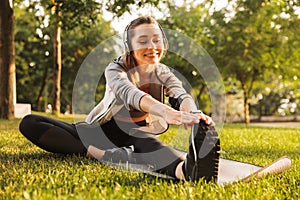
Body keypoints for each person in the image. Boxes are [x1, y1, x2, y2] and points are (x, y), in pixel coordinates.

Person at [19, 16, 220, 182]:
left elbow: (180, 94)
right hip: (98, 131)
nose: (152, 46)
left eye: (157, 39)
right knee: (30, 123)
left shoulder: (164, 72)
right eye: (142, 41)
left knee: (154, 148)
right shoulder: (115, 69)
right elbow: (129, 93)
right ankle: (105, 155)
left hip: (134, 135)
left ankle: (187, 171)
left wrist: (194, 115)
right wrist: (167, 112)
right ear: (130, 46)